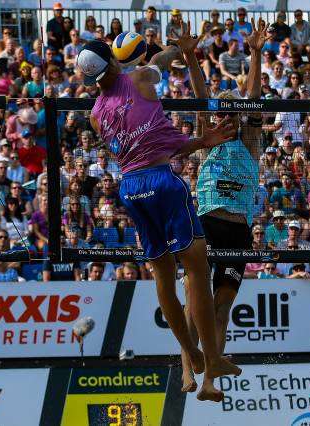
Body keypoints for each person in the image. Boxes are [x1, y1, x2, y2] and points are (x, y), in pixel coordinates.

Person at [77, 27, 240, 400]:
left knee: (163, 276)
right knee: (198, 271)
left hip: (131, 189)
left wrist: (199, 141)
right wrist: (179, 48)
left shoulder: (96, 115)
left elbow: (146, 145)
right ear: (113, 62)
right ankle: (211, 359)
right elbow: (163, 62)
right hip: (162, 182)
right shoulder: (139, 78)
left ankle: (192, 353)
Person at [179, 18, 267, 395]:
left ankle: (210, 381)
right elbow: (202, 96)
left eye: (231, 112)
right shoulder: (208, 136)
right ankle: (187, 371)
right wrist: (190, 56)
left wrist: (256, 53)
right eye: (221, 112)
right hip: (207, 224)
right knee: (194, 303)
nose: (225, 116)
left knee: (221, 309)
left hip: (238, 232)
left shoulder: (250, 140)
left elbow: (253, 98)